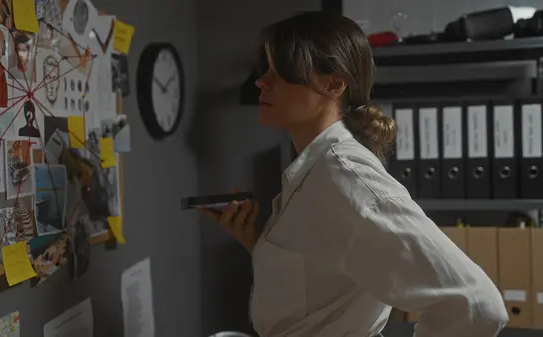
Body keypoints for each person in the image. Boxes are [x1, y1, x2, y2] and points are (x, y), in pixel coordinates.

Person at [199, 11, 508, 337]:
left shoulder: (344, 178)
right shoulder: (312, 171)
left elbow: (476, 305)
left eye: (280, 71)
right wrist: (259, 242)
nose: (262, 81)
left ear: (333, 84)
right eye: (266, 69)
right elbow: (318, 285)